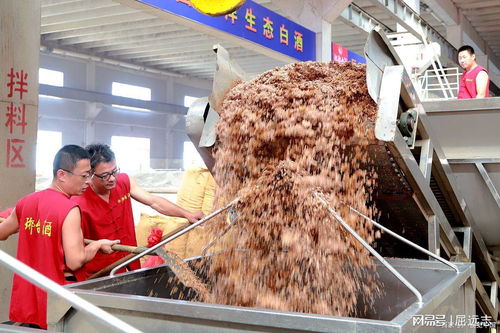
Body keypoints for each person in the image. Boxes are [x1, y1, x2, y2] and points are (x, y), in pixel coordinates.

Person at [0, 145, 119, 329]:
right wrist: (96, 245)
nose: (88, 181)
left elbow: (2, 233)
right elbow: (75, 261)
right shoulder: (69, 210)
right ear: (62, 174)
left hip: (31, 295)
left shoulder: (26, 202)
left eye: (90, 175)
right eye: (84, 175)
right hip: (57, 300)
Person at [72, 144, 205, 280]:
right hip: (99, 273)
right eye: (105, 175)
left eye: (114, 171)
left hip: (130, 262)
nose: (112, 178)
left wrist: (187, 214)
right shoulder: (78, 201)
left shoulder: (124, 181)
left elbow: (154, 201)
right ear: (90, 174)